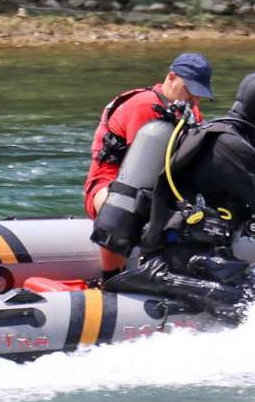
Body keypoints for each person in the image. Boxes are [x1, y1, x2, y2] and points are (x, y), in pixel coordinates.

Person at [106, 72, 255, 319]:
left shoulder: (223, 136)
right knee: (252, 308)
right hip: (183, 258)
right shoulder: (231, 146)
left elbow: (229, 212)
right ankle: (155, 277)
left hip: (196, 250)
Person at [84, 52, 214, 278]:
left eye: (199, 95)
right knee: (132, 201)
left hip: (161, 186)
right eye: (190, 89)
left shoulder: (190, 111)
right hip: (110, 187)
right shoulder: (144, 106)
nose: (194, 99)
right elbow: (144, 168)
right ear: (171, 77)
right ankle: (111, 277)